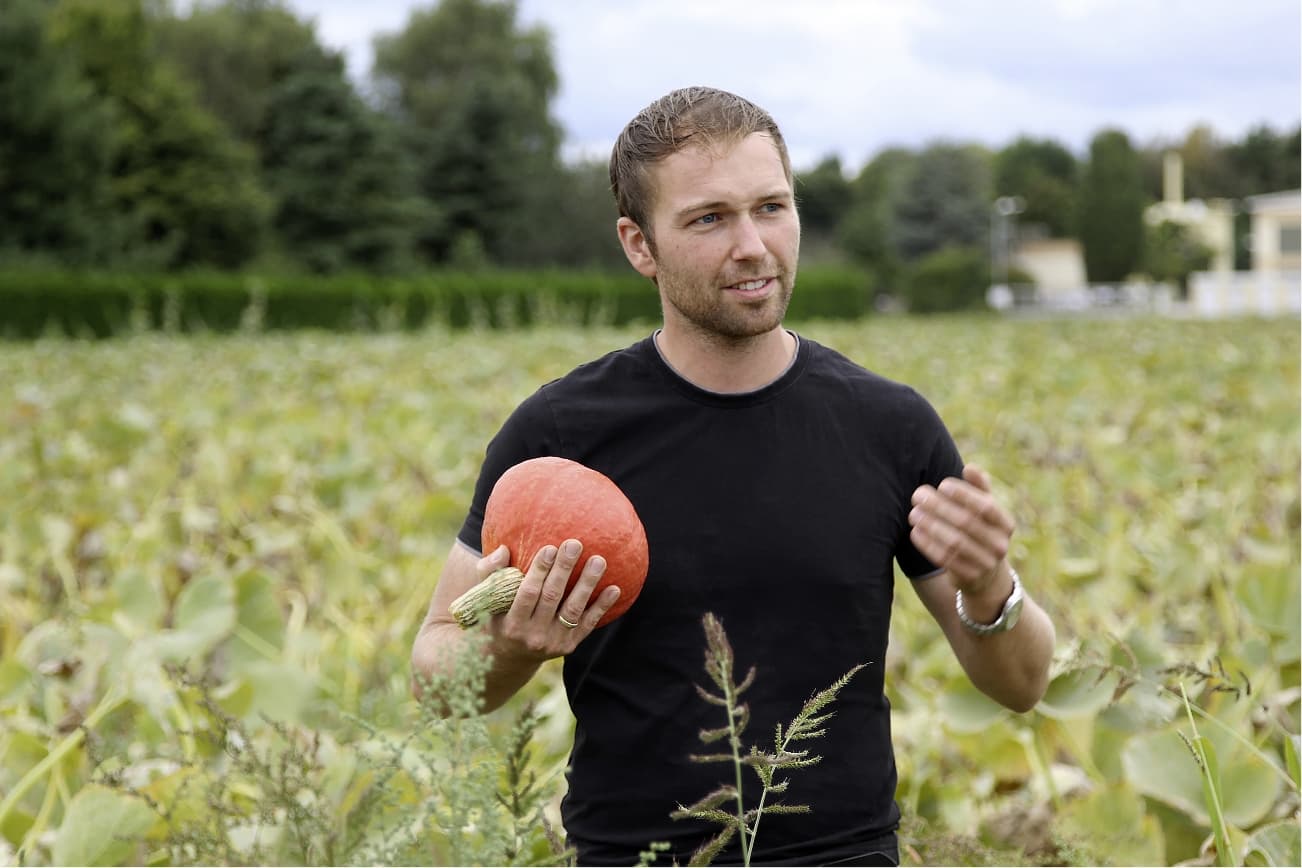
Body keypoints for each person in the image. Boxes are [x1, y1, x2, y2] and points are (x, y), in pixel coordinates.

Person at [411, 86, 1056, 867]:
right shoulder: (560, 435)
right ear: (638, 244)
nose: (752, 244)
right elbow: (435, 668)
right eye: (710, 218)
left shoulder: (890, 427)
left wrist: (991, 590)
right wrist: (513, 650)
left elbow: (1022, 684)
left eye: (771, 207)